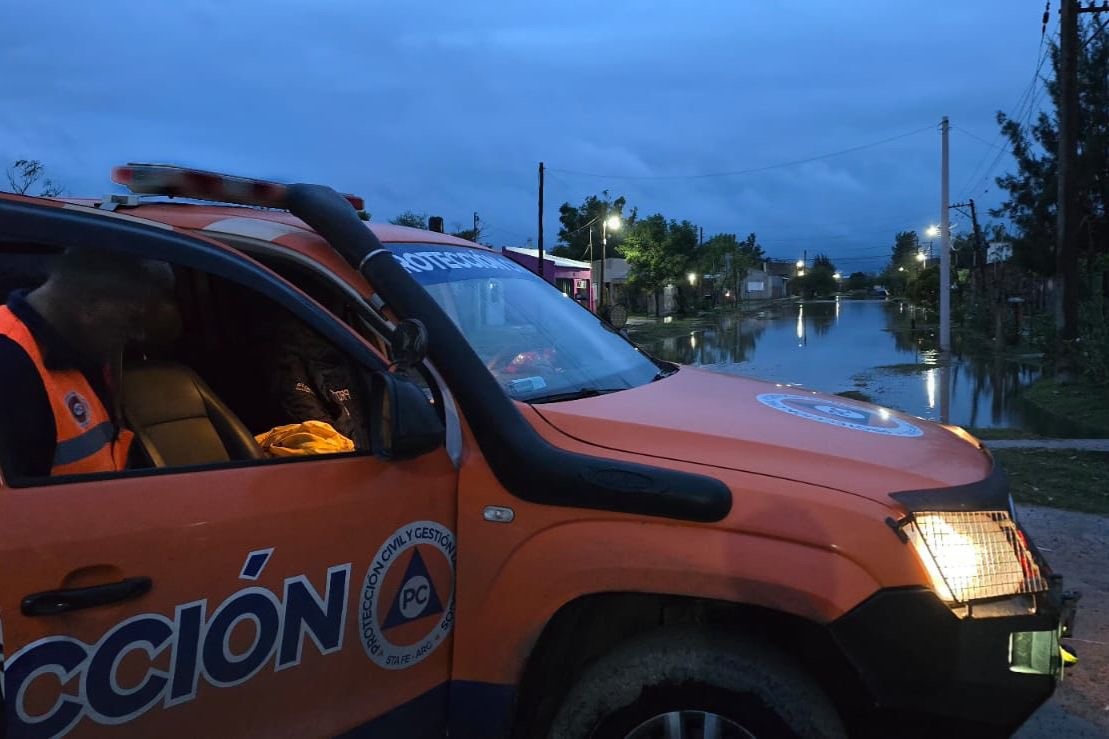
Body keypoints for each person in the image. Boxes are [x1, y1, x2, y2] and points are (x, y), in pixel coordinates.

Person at [0, 248, 176, 480]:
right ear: (90, 303)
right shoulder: (10, 367)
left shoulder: (78, 350)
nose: (138, 335)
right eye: (133, 319)